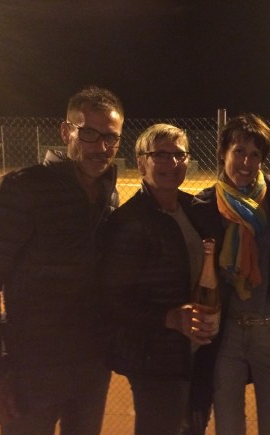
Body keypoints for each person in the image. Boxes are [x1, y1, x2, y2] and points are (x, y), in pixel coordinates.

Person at [0, 85, 124, 434]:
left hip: (91, 365)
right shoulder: (22, 188)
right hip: (32, 368)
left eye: (111, 137)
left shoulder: (109, 195)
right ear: (66, 132)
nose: (101, 147)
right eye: (89, 133)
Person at [192, 114, 270, 435]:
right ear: (222, 153)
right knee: (228, 426)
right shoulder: (204, 205)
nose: (246, 162)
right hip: (225, 333)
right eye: (239, 151)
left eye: (255, 154)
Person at [100, 124, 218, 435]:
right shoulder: (128, 221)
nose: (172, 163)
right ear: (141, 163)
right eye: (161, 155)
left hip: (196, 350)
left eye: (179, 155)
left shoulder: (194, 209)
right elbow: (112, 301)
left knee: (194, 428)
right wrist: (168, 318)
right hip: (155, 357)